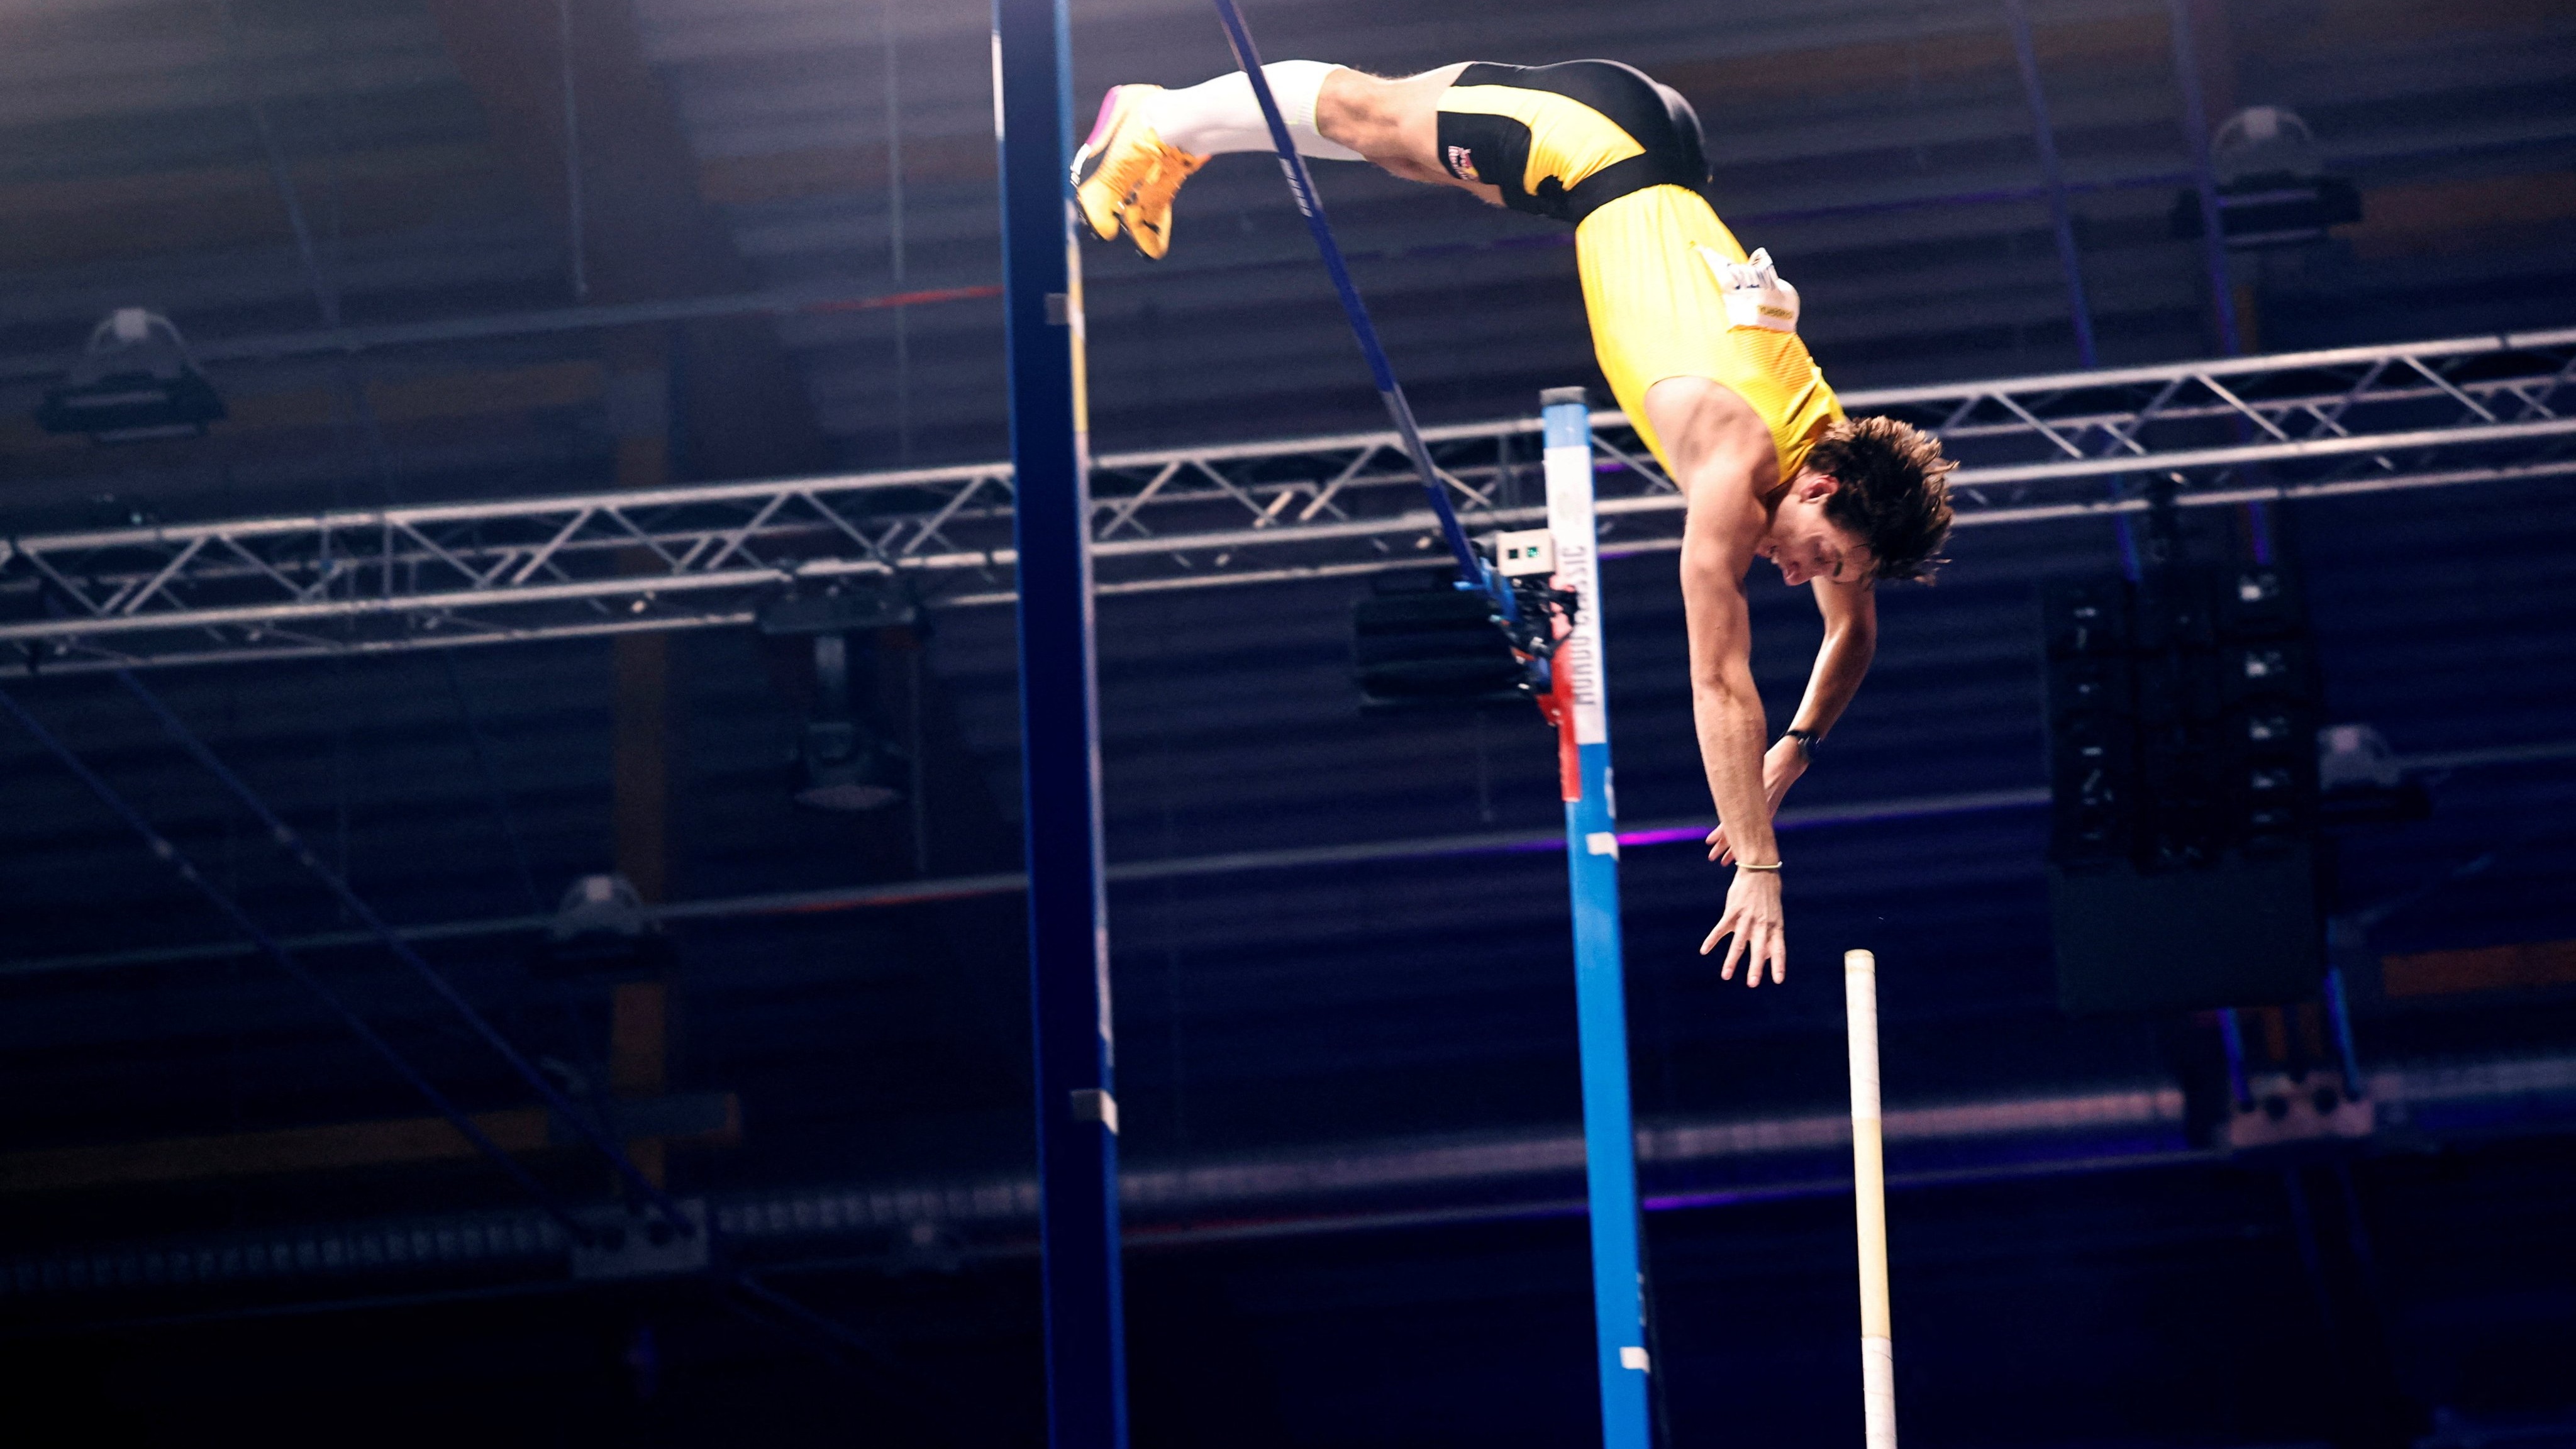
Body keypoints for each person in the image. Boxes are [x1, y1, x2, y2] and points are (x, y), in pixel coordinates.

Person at [1075, 60, 1956, 988]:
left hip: (1633, 159)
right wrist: (1760, 863)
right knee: (1372, 120)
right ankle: (1155, 113)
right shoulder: (1735, 475)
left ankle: (1184, 135)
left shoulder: (1829, 447)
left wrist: (1800, 746)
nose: (1799, 575)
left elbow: (1851, 629)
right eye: (1818, 557)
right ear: (1818, 491)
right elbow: (1722, 686)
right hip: (1592, 139)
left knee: (1406, 157)